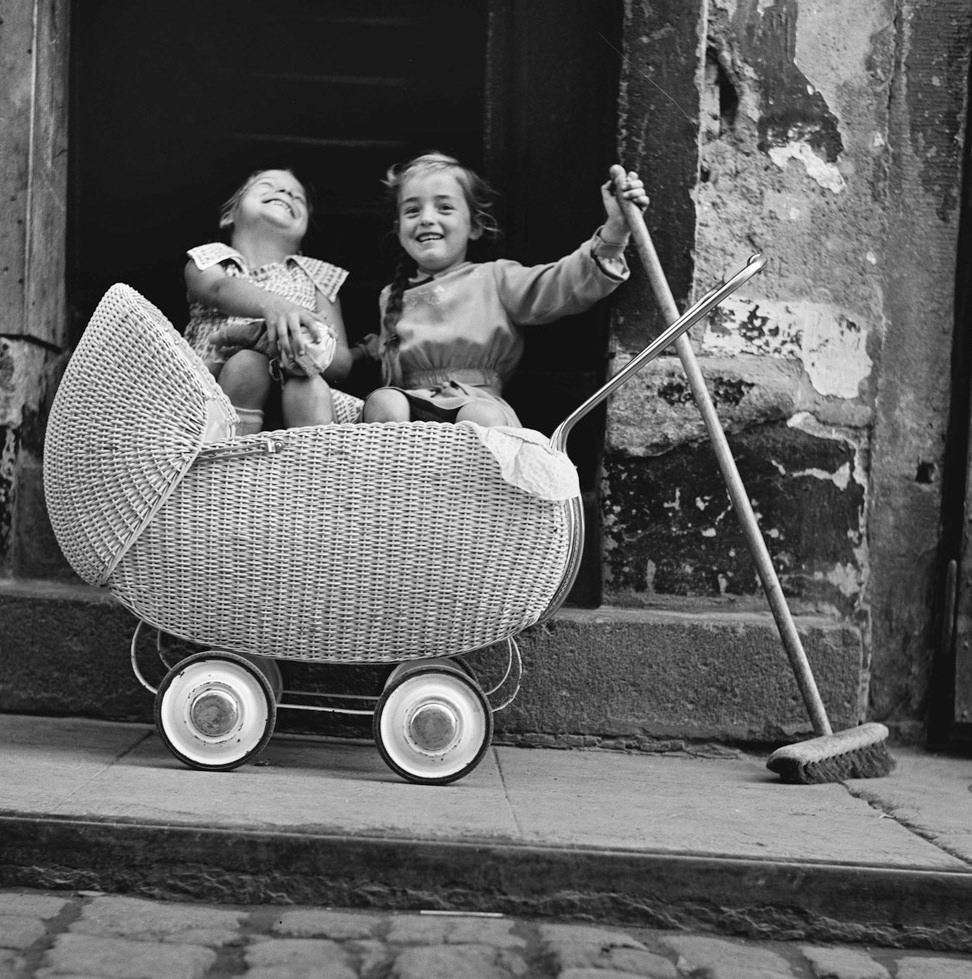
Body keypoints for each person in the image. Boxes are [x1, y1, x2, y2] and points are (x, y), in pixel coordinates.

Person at [359, 152, 649, 427]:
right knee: (384, 401)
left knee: (479, 416)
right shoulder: (390, 297)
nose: (426, 218)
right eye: (412, 210)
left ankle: (467, 481)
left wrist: (614, 231)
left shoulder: (494, 278)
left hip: (477, 403)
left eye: (444, 207)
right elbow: (376, 355)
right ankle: (399, 477)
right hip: (414, 409)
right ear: (398, 231)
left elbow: (559, 284)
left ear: (474, 226)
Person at [184, 167, 354, 433]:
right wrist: (277, 307)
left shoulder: (319, 277)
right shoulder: (212, 260)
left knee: (307, 384)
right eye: (267, 185)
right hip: (214, 392)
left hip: (296, 395)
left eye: (297, 197)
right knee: (247, 364)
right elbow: (218, 289)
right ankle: (228, 459)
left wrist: (306, 350)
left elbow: (341, 362)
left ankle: (311, 464)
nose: (286, 192)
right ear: (229, 215)